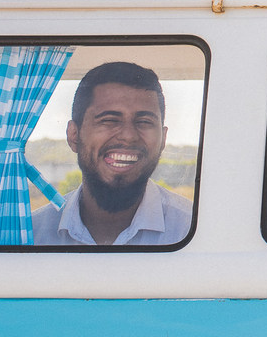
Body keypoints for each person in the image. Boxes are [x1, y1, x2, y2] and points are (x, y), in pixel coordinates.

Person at [32, 62, 192, 246]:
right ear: (74, 135)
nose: (128, 136)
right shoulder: (33, 235)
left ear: (163, 138)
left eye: (144, 121)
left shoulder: (190, 229)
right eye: (109, 120)